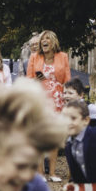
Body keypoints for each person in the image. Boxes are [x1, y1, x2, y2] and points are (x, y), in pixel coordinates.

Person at [27, 30, 70, 182]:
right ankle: (40, 173)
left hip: (57, 100)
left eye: (46, 39)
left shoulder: (63, 56)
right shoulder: (34, 57)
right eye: (42, 40)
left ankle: (52, 173)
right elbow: (29, 80)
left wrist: (68, 99)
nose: (43, 42)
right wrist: (37, 80)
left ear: (53, 42)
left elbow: (67, 80)